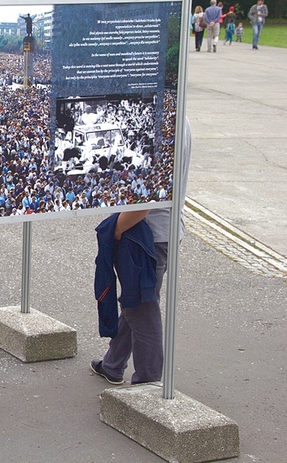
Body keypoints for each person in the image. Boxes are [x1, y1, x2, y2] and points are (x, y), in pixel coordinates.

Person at [90, 119, 192, 386]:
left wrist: (116, 230)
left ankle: (148, 384)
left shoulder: (160, 123)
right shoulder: (177, 115)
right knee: (136, 300)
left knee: (142, 310)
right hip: (162, 230)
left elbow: (145, 201)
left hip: (146, 235)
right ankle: (112, 364)